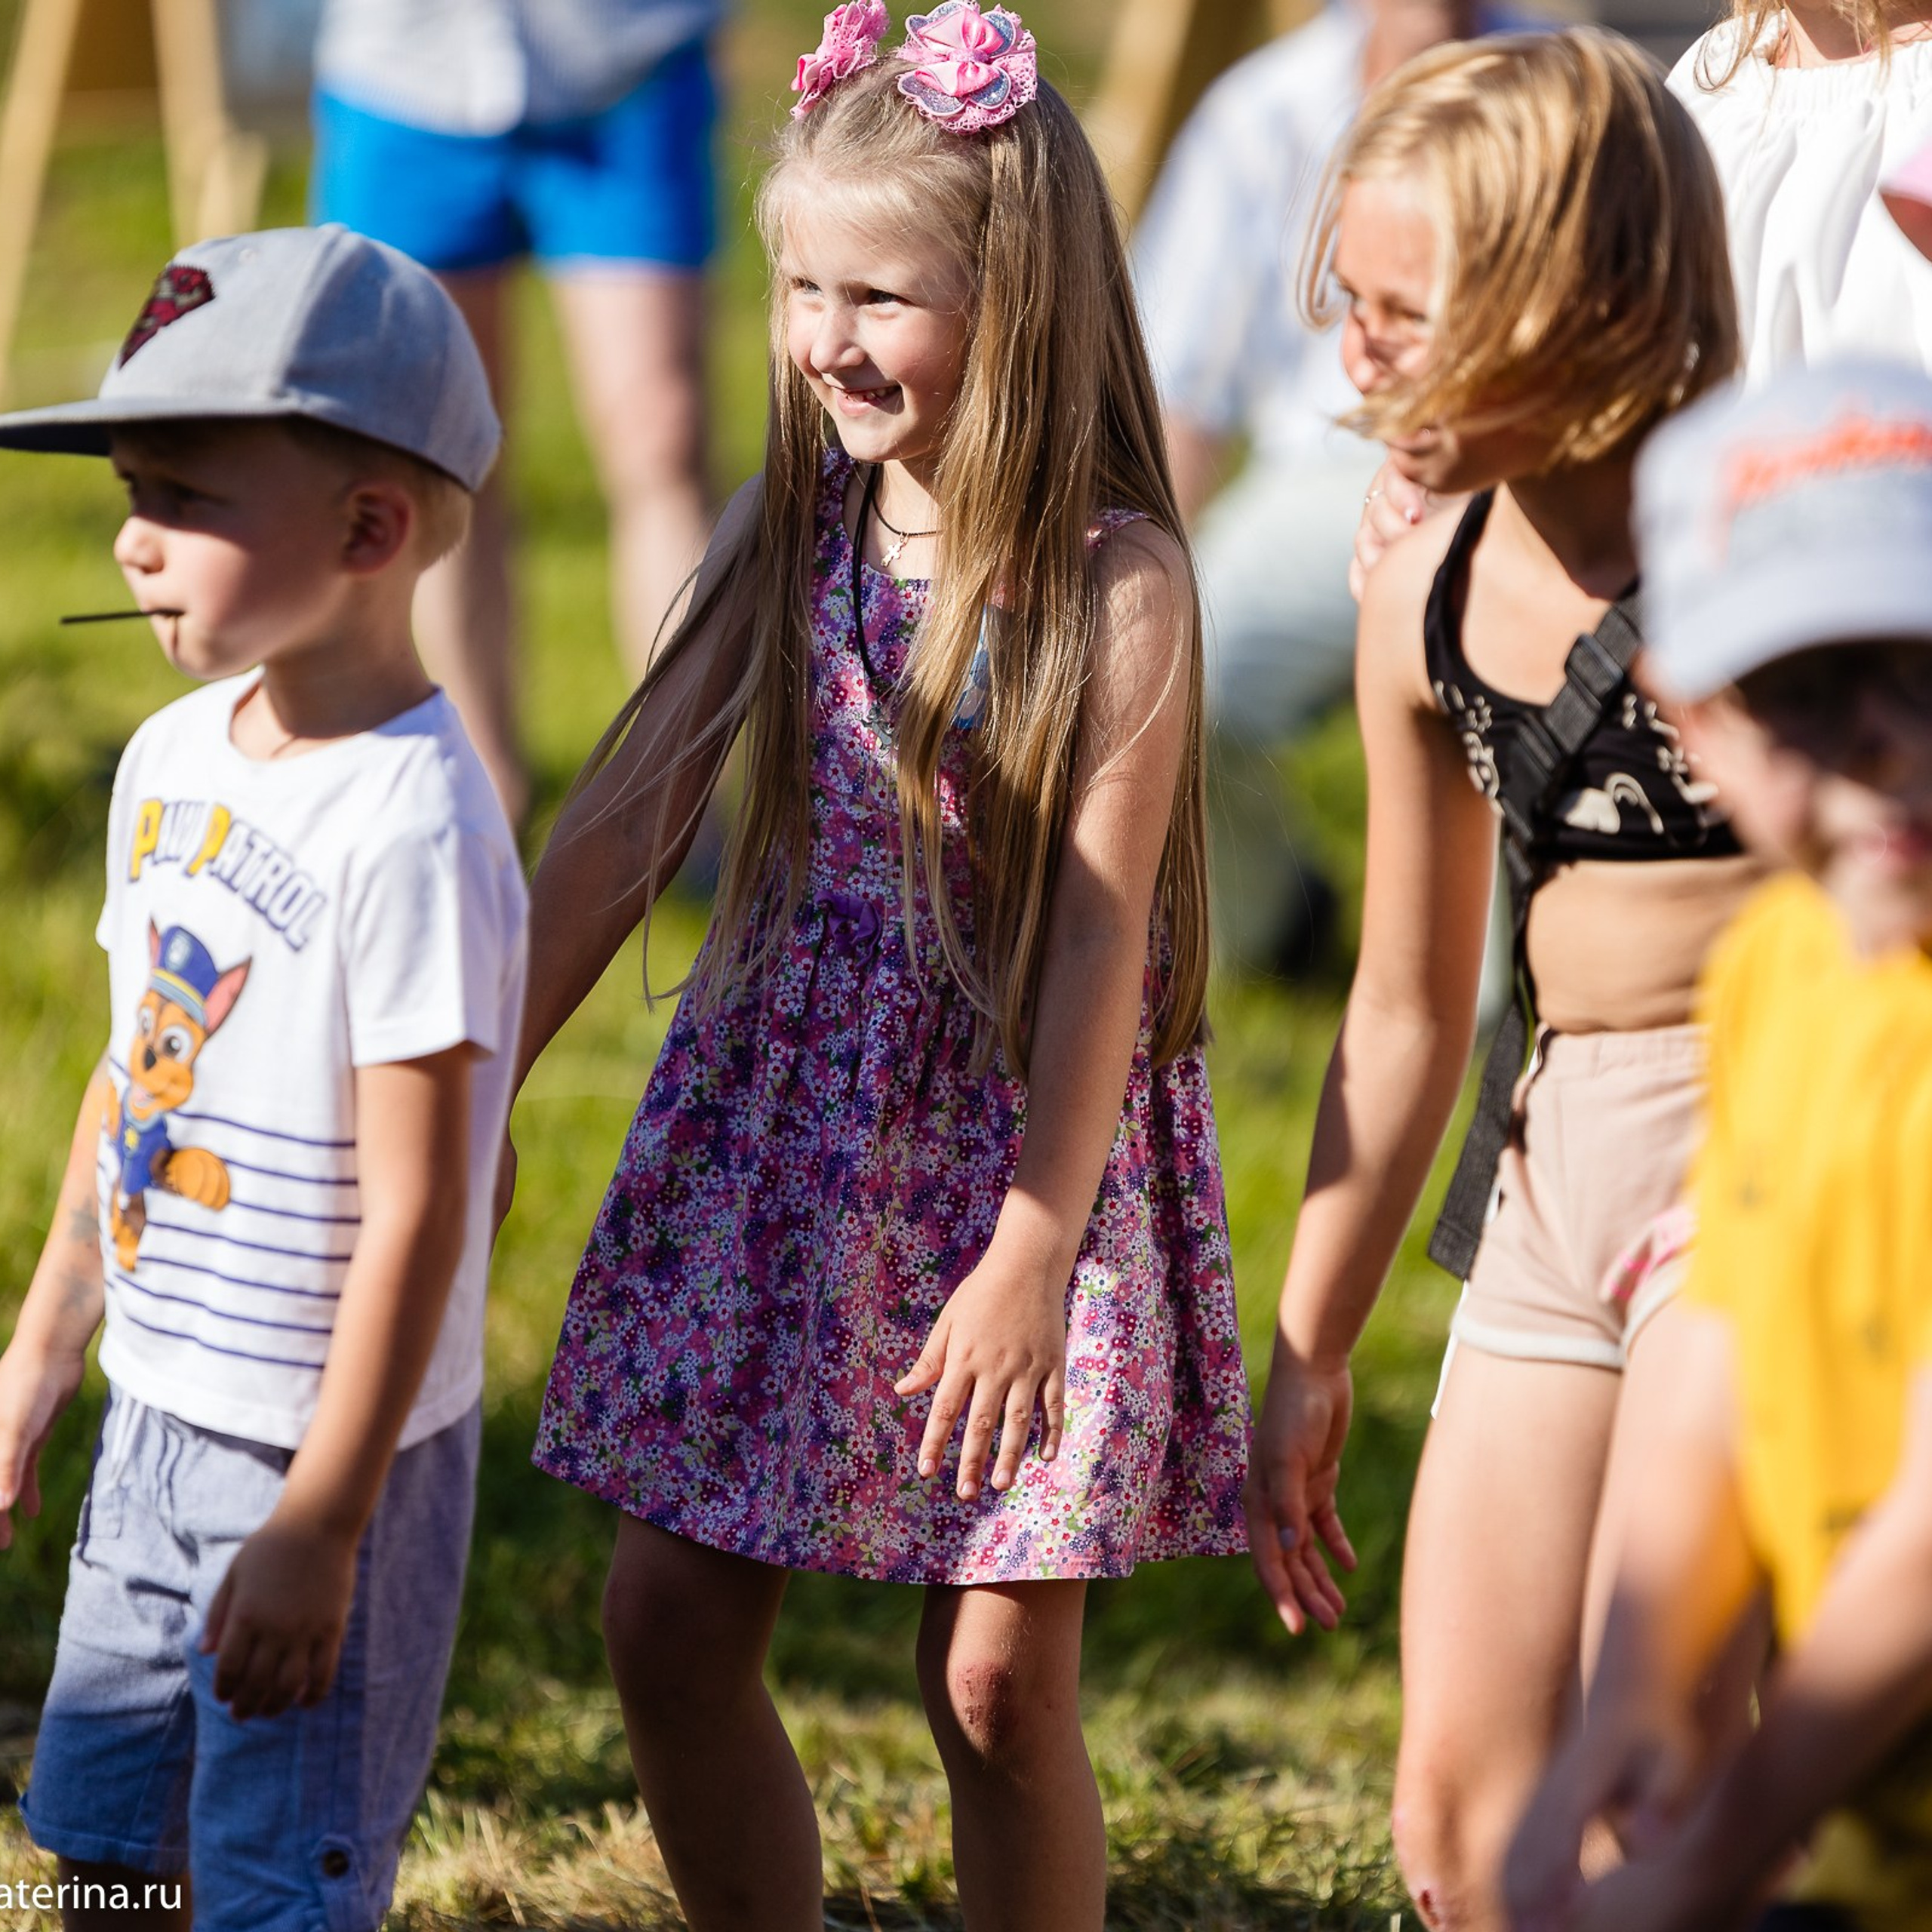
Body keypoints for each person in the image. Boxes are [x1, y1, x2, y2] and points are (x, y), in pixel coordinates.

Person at [500, 5, 1251, 1923]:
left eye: (880, 293)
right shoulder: (798, 522)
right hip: (785, 1129)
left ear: (1010, 291)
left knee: (995, 1679)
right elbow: (618, 819)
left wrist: (1028, 1243)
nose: (826, 336)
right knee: (663, 1616)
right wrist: (474, 1072)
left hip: (1030, 1154)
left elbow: (1100, 931)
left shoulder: (1115, 581)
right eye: (798, 283)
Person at [1239, 31, 1767, 1929]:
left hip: (1764, 1177)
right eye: (1344, 308)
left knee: (1656, 1783)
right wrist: (1304, 1344)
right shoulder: (1423, 586)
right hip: (1555, 1181)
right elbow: (1399, 1004)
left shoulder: (1779, 551)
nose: (1354, 358)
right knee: (1460, 1832)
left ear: (1583, 306)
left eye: (1405, 315)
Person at [0, 226, 528, 1932]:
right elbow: (127, 1079)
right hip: (153, 1416)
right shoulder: (164, 760)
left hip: (320, 1454)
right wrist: (41, 1351)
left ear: (369, 530)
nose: (129, 539)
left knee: (261, 1891)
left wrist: (322, 1516)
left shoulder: (415, 827)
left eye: (181, 494)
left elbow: (427, 1207)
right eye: (129, 487)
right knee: (104, 1853)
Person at [1504, 360, 1932, 1932]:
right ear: (1689, 718)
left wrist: (1726, 1835)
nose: (1886, 753)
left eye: (1926, 672)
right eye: (1807, 695)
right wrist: (1626, 1694)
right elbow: (1729, 1349)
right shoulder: (1776, 967)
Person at [1134, 0, 1533, 976]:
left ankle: (1500, 981)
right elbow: (1180, 388)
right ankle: (1268, 919)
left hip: (1517, 457)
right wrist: (1142, 584)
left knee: (1504, 648)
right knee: (1172, 671)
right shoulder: (1265, 109)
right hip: (1325, 462)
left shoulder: (1554, 88)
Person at [312, 0, 727, 823]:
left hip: (624, 61)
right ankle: (482, 793)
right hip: (403, 74)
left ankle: (681, 807)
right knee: (433, 450)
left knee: (663, 435)